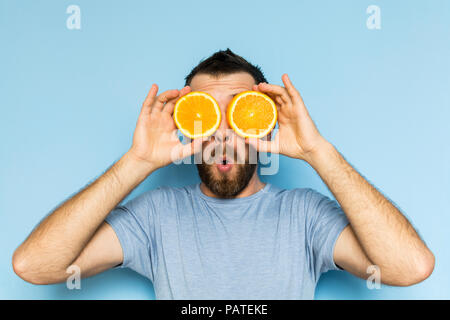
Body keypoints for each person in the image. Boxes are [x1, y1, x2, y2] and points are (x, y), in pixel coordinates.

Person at [12, 49, 434, 299]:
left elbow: (410, 268)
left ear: (264, 122)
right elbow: (35, 267)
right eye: (206, 116)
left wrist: (318, 152)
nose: (222, 135)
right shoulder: (157, 216)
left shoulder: (303, 215)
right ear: (186, 125)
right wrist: (136, 163)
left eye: (240, 113)